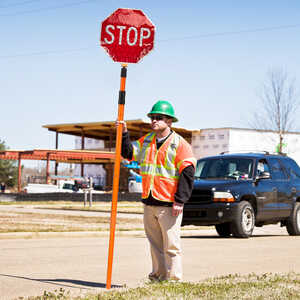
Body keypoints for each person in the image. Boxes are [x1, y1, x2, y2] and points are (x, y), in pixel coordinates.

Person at [117, 100, 196, 282]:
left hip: (169, 204)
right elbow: (128, 153)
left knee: (171, 245)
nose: (154, 121)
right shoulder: (146, 141)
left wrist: (180, 200)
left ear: (169, 121)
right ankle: (158, 277)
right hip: (149, 201)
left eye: (158, 118)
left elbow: (188, 172)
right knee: (155, 245)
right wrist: (124, 133)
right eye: (152, 117)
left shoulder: (179, 144)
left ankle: (174, 280)